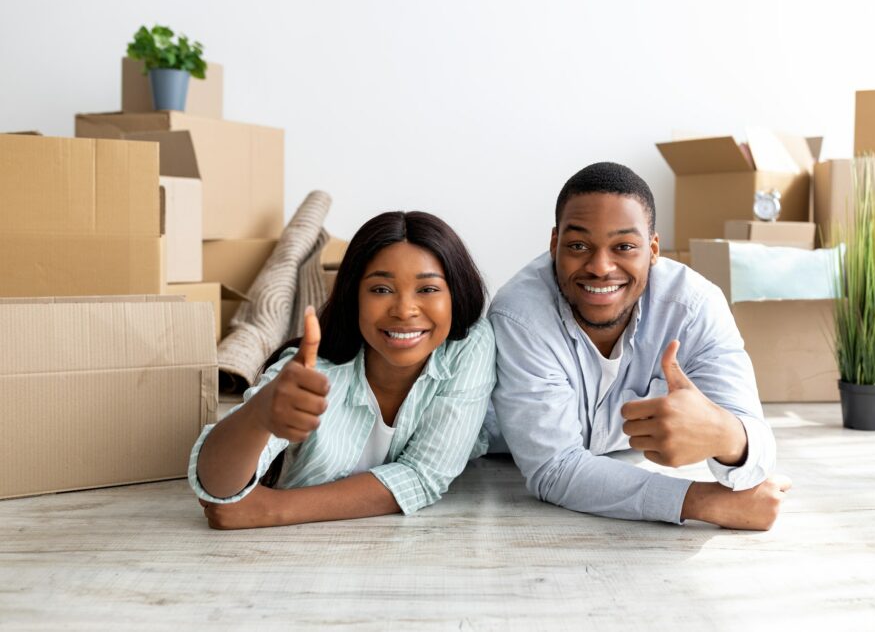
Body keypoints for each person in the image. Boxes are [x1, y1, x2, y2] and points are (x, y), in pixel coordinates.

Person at [488, 162, 791, 530]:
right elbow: (554, 468)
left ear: (653, 249)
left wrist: (725, 434)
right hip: (493, 472)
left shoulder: (694, 307)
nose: (600, 267)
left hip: (618, 470)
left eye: (625, 246)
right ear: (555, 245)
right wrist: (701, 501)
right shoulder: (520, 315)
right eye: (578, 245)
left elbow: (757, 443)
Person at [189, 211, 495, 529]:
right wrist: (259, 412)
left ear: (456, 295)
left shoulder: (469, 342)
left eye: (428, 289)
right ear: (354, 297)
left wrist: (272, 509)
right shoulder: (311, 372)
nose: (404, 310)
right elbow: (218, 490)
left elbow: (423, 474)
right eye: (381, 289)